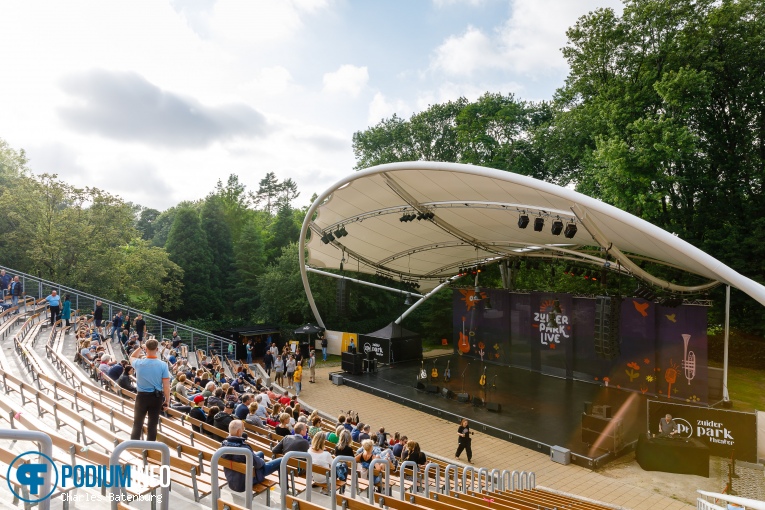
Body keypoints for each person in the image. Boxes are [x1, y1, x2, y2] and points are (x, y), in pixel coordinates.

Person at [220, 420, 282, 491]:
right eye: (243, 429)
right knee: (282, 460)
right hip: (244, 483)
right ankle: (285, 490)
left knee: (260, 453)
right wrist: (261, 461)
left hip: (232, 480)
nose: (244, 431)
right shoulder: (244, 449)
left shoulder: (223, 446)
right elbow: (258, 464)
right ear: (239, 431)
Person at [129, 338, 171, 441]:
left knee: (137, 422)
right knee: (153, 424)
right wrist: (167, 400)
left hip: (142, 396)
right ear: (157, 349)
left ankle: (134, 444)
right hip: (156, 397)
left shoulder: (139, 363)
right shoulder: (163, 365)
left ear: (145, 349)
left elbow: (132, 356)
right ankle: (150, 447)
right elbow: (166, 385)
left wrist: (140, 347)